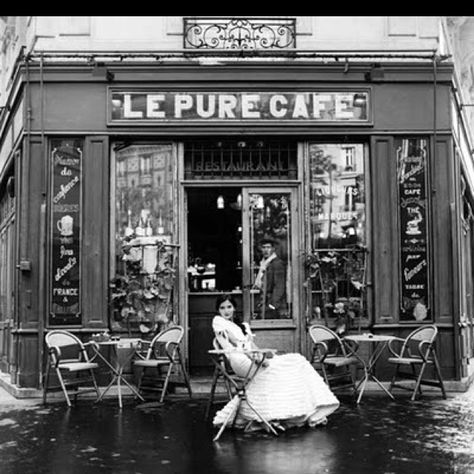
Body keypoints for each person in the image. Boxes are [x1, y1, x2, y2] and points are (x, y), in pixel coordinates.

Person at [211, 294, 340, 432]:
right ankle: (277, 413)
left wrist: (264, 354)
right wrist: (258, 358)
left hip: (252, 356)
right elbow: (237, 344)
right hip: (240, 360)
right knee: (277, 369)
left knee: (297, 361)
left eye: (229, 307)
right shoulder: (219, 321)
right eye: (222, 308)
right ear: (218, 310)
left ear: (234, 308)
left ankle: (304, 409)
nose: (226, 311)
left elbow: (252, 345)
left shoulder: (241, 325)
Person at [253, 237, 287, 318]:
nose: (266, 250)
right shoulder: (264, 263)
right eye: (263, 247)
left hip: (272, 303)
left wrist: (273, 305)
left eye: (268, 247)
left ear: (273, 249)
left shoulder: (277, 263)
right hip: (264, 301)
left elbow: (279, 286)